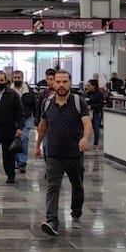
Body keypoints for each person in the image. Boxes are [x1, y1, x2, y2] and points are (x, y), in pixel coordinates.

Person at [35, 70, 94, 236]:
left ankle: (76, 214)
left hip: (74, 154)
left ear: (70, 83)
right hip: (54, 154)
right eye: (58, 82)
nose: (61, 85)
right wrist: (38, 145)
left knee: (77, 186)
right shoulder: (47, 103)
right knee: (52, 188)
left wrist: (85, 138)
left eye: (65, 82)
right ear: (53, 83)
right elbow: (43, 126)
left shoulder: (78, 102)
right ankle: (52, 221)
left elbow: (87, 123)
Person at [12, 70, 36, 174]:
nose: (17, 79)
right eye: (15, 78)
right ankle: (14, 160)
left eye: (19, 78)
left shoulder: (29, 91)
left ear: (22, 78)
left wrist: (36, 118)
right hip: (12, 119)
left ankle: (22, 162)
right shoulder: (9, 90)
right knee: (13, 139)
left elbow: (34, 105)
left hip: (26, 118)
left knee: (24, 138)